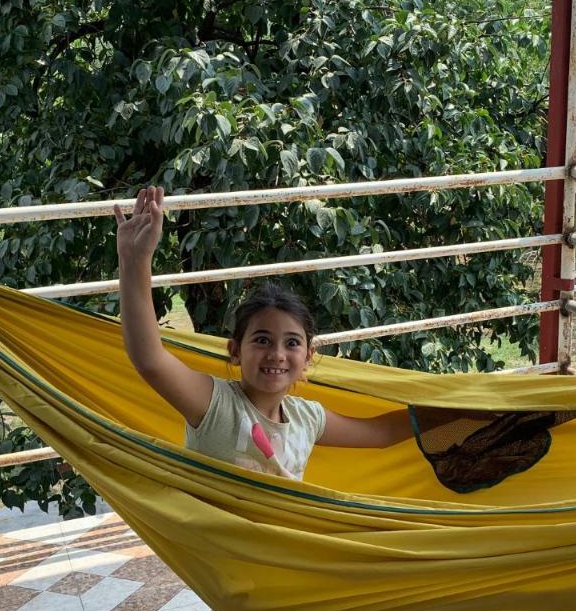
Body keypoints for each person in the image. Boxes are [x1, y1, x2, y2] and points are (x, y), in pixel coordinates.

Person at [115, 186, 424, 480]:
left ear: (307, 358)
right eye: (262, 340)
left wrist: (459, 412)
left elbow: (381, 434)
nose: (277, 354)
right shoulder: (215, 404)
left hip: (285, 535)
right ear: (235, 351)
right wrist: (135, 260)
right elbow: (149, 359)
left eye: (292, 343)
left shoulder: (307, 419)